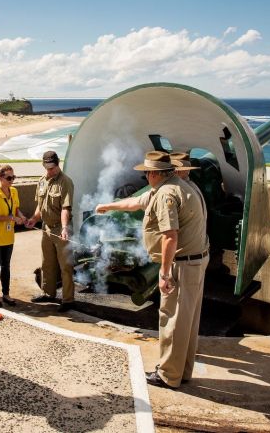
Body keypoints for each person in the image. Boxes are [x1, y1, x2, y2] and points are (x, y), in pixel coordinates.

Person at [98, 150, 208, 389]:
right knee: (188, 321)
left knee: (172, 320)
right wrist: (108, 206)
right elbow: (136, 202)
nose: (145, 176)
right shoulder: (180, 185)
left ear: (155, 174)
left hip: (182, 264)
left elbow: (170, 236)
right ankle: (182, 371)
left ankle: (168, 375)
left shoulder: (166, 194)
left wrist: (165, 272)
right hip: (196, 261)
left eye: (147, 172)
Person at [25, 151, 76, 312]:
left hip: (60, 228)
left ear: (58, 164)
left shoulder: (65, 182)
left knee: (65, 267)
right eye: (47, 168)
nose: (50, 171)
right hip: (46, 228)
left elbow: (65, 208)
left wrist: (65, 228)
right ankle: (48, 293)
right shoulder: (41, 182)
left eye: (52, 168)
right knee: (47, 263)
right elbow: (40, 206)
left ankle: (68, 300)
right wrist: (34, 218)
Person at [0, 164, 28, 307]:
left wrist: (21, 217)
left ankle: (6, 294)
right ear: (0, 178)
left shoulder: (14, 191)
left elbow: (16, 209)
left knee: (6, 266)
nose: (12, 180)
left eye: (13, 177)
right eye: (9, 177)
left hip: (8, 236)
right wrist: (10, 218)